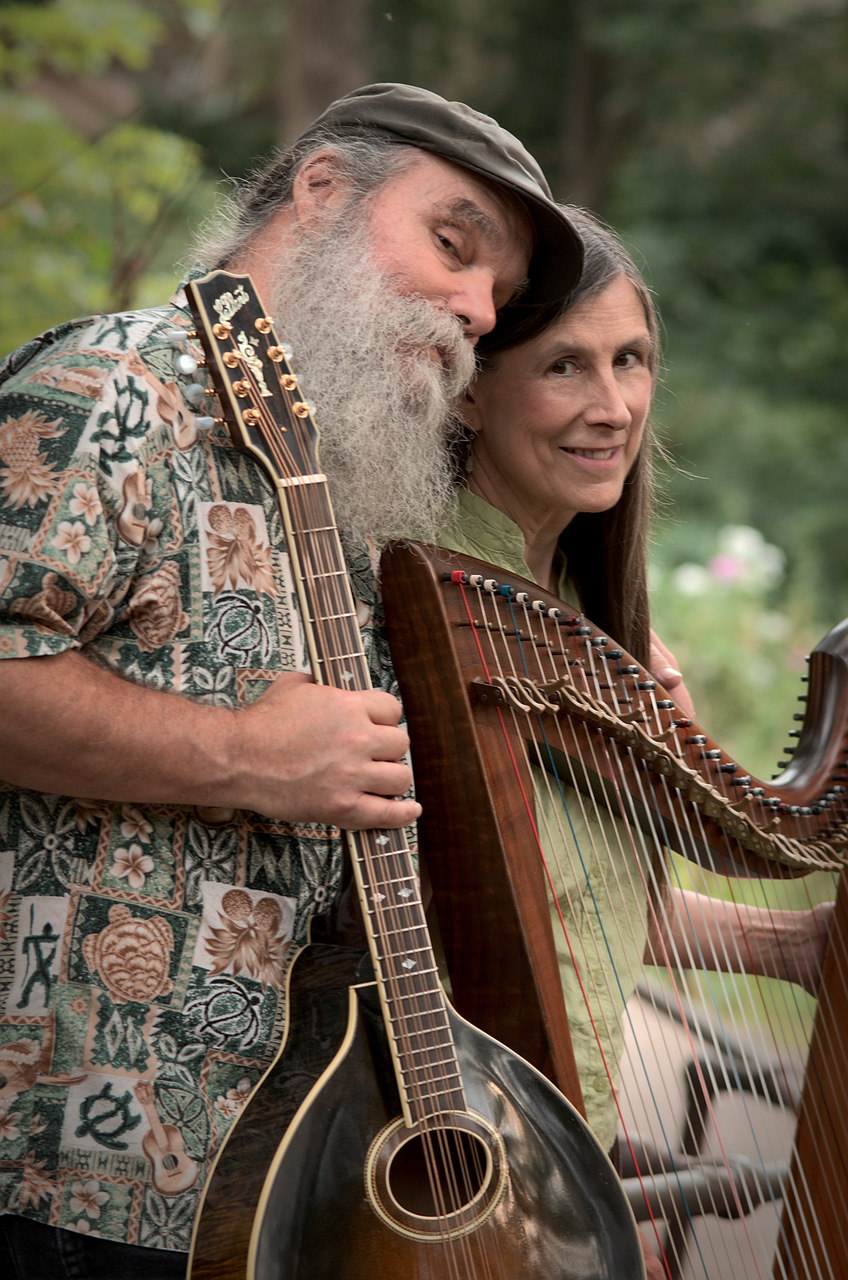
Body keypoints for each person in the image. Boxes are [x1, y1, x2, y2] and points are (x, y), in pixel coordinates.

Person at [0, 83, 587, 1276]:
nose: (475, 308)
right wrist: (244, 754)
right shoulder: (122, 388)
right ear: (320, 187)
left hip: (262, 1188)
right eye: (451, 243)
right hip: (58, 1170)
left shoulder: (337, 485)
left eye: (495, 298)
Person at [430, 205, 832, 1276]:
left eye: (630, 360)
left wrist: (785, 945)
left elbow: (566, 899)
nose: (611, 406)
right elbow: (457, 918)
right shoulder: (433, 601)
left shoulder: (572, 607)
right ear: (467, 387)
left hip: (564, 1153)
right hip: (450, 1166)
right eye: (563, 365)